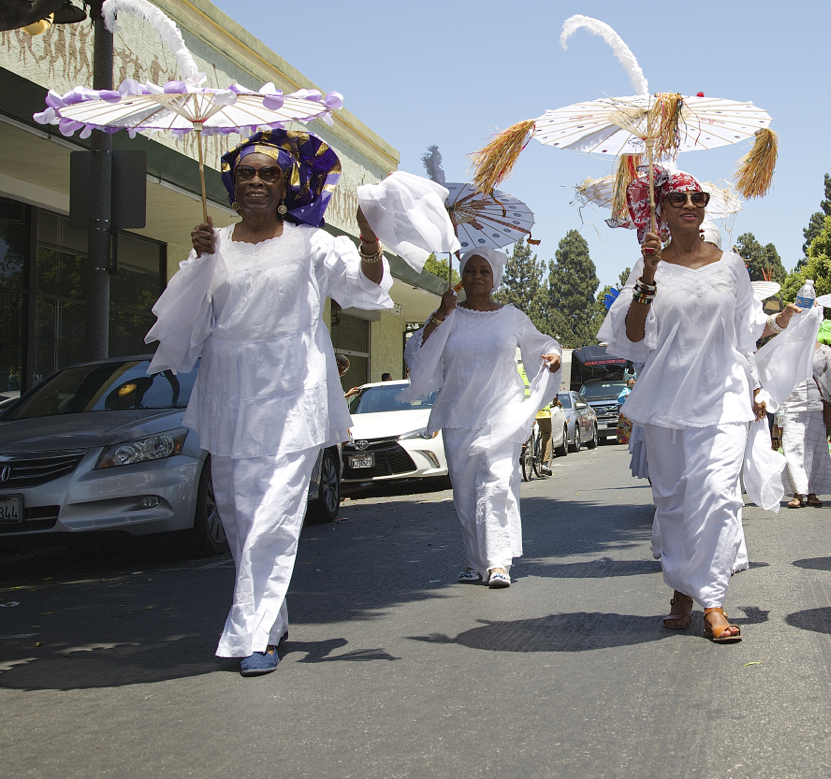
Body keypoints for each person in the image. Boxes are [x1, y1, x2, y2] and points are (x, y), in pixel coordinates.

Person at [145, 130, 393, 675]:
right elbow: (185, 324)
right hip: (229, 393)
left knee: (273, 516)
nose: (256, 181)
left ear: (287, 185)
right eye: (246, 173)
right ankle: (270, 620)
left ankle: (251, 637)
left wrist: (370, 243)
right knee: (237, 514)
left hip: (295, 392)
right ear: (232, 184)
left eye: (269, 174)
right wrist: (198, 263)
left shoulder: (311, 243)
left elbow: (365, 289)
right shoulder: (214, 247)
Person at [598, 164, 797, 644]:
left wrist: (754, 387)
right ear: (661, 209)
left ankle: (711, 598)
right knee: (673, 501)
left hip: (723, 394)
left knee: (718, 495)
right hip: (668, 397)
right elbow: (631, 333)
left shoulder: (732, 265)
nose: (691, 205)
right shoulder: (649, 264)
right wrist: (647, 276)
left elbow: (746, 334)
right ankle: (681, 591)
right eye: (680, 198)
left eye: (699, 198)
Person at [403, 247, 561, 587]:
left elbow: (541, 341)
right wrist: (440, 314)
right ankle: (475, 562)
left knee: (499, 484)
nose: (477, 276)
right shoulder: (449, 317)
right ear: (461, 276)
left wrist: (552, 355)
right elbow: (417, 353)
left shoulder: (511, 316)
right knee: (465, 494)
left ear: (494, 278)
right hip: (459, 416)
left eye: (484, 271)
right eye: (470, 270)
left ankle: (499, 562)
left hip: (503, 413)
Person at [779, 323, 831, 508]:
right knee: (792, 447)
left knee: (813, 449)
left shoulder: (824, 351)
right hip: (792, 403)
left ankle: (812, 491)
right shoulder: (789, 348)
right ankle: (797, 493)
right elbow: (778, 374)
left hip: (816, 404)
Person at [616, 377, 636, 444]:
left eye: (633, 381)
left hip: (635, 411)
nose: (632, 383)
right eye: (631, 382)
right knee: (626, 426)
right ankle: (625, 440)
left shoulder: (637, 389)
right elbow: (624, 396)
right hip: (627, 412)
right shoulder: (626, 390)